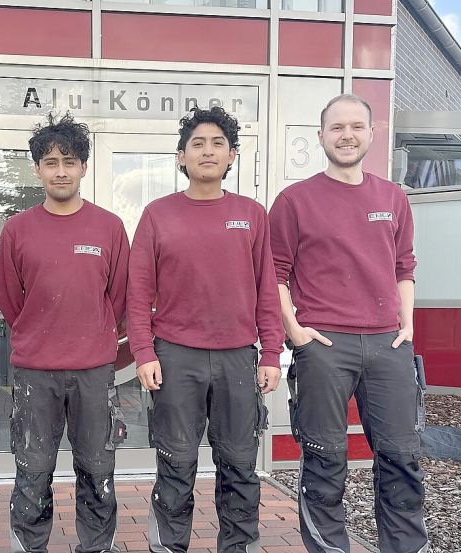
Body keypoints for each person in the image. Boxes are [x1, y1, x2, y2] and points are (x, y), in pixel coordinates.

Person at [269, 93, 429, 553]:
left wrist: (407, 325)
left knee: (401, 457)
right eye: (337, 128)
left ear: (371, 134)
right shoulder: (295, 201)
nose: (347, 135)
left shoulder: (392, 197)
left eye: (356, 126)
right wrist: (295, 333)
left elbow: (404, 267)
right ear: (321, 136)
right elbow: (274, 275)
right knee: (325, 459)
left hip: (389, 346)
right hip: (324, 346)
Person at [127, 106, 285, 553]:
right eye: (198, 144)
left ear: (232, 155)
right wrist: (144, 352)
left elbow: (266, 291)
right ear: (181, 157)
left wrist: (271, 353)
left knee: (238, 465)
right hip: (176, 357)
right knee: (175, 464)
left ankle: (239, 547)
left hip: (238, 357)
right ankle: (169, 546)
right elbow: (137, 294)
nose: (208, 151)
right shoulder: (158, 215)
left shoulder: (252, 215)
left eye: (218, 143)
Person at [0, 112, 130, 553]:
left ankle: (96, 546)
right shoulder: (17, 229)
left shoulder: (109, 227)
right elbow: (12, 303)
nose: (60, 170)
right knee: (33, 470)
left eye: (69, 161)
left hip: (94, 372)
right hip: (36, 373)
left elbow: (120, 298)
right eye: (50, 162)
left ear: (84, 168)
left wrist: (90, 337)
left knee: (97, 469)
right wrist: (41, 336)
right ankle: (31, 545)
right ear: (37, 168)